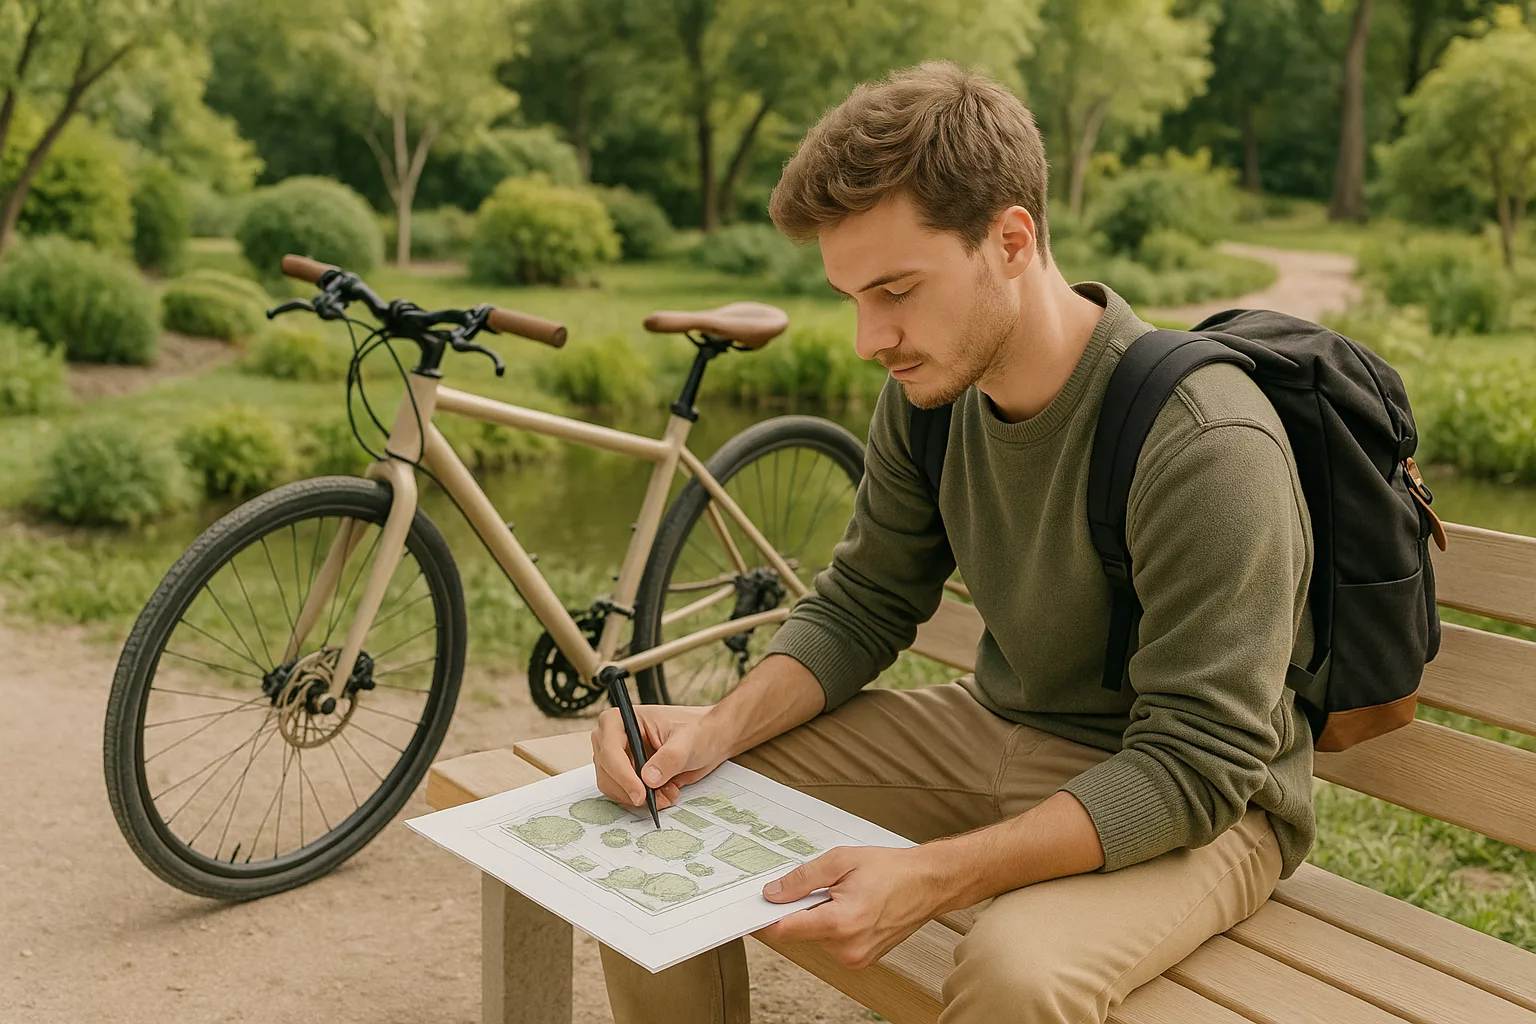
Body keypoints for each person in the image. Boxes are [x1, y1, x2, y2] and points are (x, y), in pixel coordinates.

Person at [590, 60, 1315, 1024]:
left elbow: (1197, 765)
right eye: (852, 296)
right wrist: (715, 731)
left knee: (1014, 976)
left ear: (1011, 240)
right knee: (653, 823)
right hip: (999, 731)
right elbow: (863, 602)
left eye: (895, 289)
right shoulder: (930, 397)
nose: (867, 337)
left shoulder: (1205, 442)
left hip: (1202, 802)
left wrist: (931, 876)